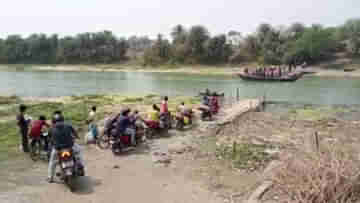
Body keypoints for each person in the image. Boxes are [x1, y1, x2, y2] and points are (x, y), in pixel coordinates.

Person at [47, 112, 85, 183]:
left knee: (52, 162)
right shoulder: (68, 125)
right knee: (79, 152)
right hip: (70, 147)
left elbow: (49, 138)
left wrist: (52, 143)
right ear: (62, 119)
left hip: (58, 149)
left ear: (53, 121)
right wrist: (77, 137)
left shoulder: (51, 128)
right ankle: (81, 167)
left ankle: (50, 177)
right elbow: (75, 133)